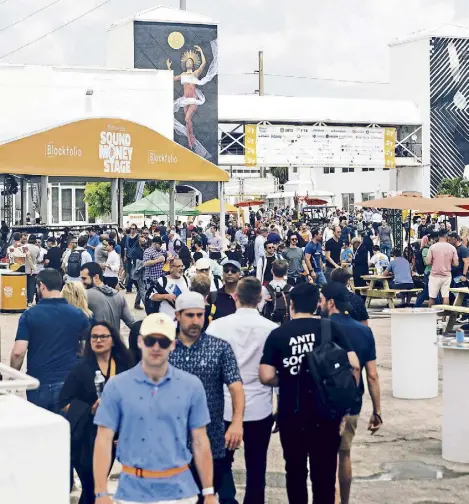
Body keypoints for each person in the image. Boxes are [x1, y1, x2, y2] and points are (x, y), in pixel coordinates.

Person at [93, 312, 217, 504]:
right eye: (151, 341)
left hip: (180, 492)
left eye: (163, 342)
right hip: (133, 493)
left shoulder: (191, 386)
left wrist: (208, 491)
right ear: (140, 342)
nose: (156, 347)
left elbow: (200, 440)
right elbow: (103, 439)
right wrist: (101, 492)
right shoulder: (117, 386)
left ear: (173, 345)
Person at [259, 283, 359, 504]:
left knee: (295, 472)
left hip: (291, 413)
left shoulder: (279, 334)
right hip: (326, 414)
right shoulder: (330, 328)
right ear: (316, 304)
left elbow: (265, 376)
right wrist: (344, 407)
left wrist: (288, 376)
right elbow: (354, 365)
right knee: (324, 475)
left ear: (291, 304)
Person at [206, 277, 277, 504]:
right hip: (259, 407)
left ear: (235, 296)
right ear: (260, 299)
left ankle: (227, 499)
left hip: (225, 407)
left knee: (222, 461)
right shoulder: (272, 330)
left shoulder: (217, 326)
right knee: (257, 466)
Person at [169, 292, 244, 503]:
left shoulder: (219, 348)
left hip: (211, 438)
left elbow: (236, 387)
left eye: (199, 315)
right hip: (171, 440)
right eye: (190, 315)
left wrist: (237, 423)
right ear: (178, 315)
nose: (195, 321)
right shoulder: (164, 348)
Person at [319, 283, 382, 504]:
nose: (319, 303)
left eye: (321, 299)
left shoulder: (320, 327)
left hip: (323, 403)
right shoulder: (364, 331)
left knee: (324, 459)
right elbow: (372, 375)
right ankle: (343, 501)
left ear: (331, 303)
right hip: (352, 402)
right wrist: (377, 411)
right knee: (344, 455)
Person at [59, 322, 133, 504]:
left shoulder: (125, 367)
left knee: (98, 486)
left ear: (113, 340)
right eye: (94, 337)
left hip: (112, 437)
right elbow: (64, 402)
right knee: (91, 486)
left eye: (103, 337)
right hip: (85, 437)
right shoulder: (81, 369)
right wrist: (90, 409)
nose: (98, 340)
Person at [9, 269, 90, 413]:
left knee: (41, 431)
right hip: (68, 382)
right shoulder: (78, 315)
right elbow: (86, 350)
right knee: (65, 431)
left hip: (38, 383)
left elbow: (18, 352)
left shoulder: (29, 315)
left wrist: (12, 377)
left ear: (41, 286)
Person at [80, 262, 135, 333]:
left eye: (84, 278)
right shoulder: (118, 295)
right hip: (115, 342)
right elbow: (131, 323)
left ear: (96, 277)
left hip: (97, 342)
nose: (81, 282)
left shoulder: (86, 295)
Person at [426, 230, 459, 307]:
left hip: (434, 275)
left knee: (432, 297)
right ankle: (444, 317)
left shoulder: (432, 247)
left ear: (438, 236)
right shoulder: (452, 248)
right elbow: (456, 264)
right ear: (446, 236)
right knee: (445, 296)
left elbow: (427, 262)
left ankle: (431, 316)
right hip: (447, 275)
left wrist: (434, 262)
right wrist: (449, 262)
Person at [123, 224, 140, 294]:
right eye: (131, 228)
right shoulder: (127, 237)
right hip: (128, 257)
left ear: (136, 229)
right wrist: (124, 256)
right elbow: (125, 247)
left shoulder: (138, 237)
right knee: (129, 272)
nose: (132, 230)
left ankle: (134, 287)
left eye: (134, 228)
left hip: (136, 257)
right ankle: (130, 288)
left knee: (135, 272)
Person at [25, 234, 40, 306]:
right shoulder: (37, 248)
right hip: (33, 269)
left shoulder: (25, 247)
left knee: (23, 285)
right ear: (35, 241)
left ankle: (22, 299)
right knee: (31, 286)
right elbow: (37, 258)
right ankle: (30, 301)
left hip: (24, 268)